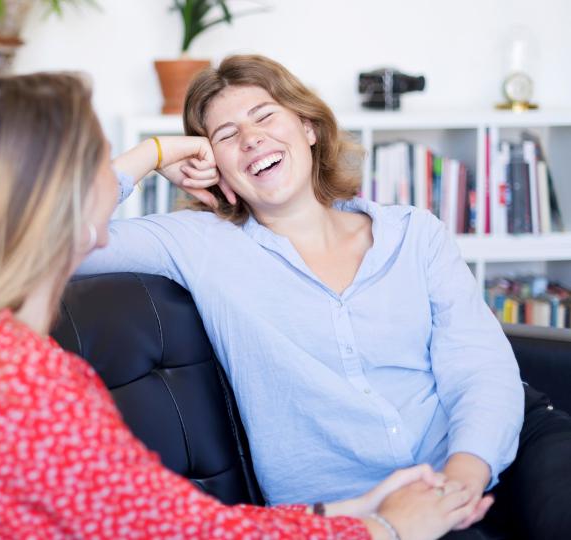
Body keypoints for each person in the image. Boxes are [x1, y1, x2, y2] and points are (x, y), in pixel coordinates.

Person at [0, 73, 483, 540]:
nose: (116, 173)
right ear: (66, 200)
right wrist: (385, 529)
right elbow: (189, 531)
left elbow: (174, 519)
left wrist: (362, 510)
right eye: (101, 159)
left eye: (266, 116)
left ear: (309, 127)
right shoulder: (25, 382)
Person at [79, 55, 571, 539]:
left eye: (265, 115)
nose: (251, 138)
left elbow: (479, 367)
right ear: (212, 167)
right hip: (362, 509)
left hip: (496, 447)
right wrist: (155, 153)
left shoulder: (413, 233)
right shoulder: (196, 243)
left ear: (309, 128)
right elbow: (51, 243)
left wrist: (462, 476)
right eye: (226, 136)